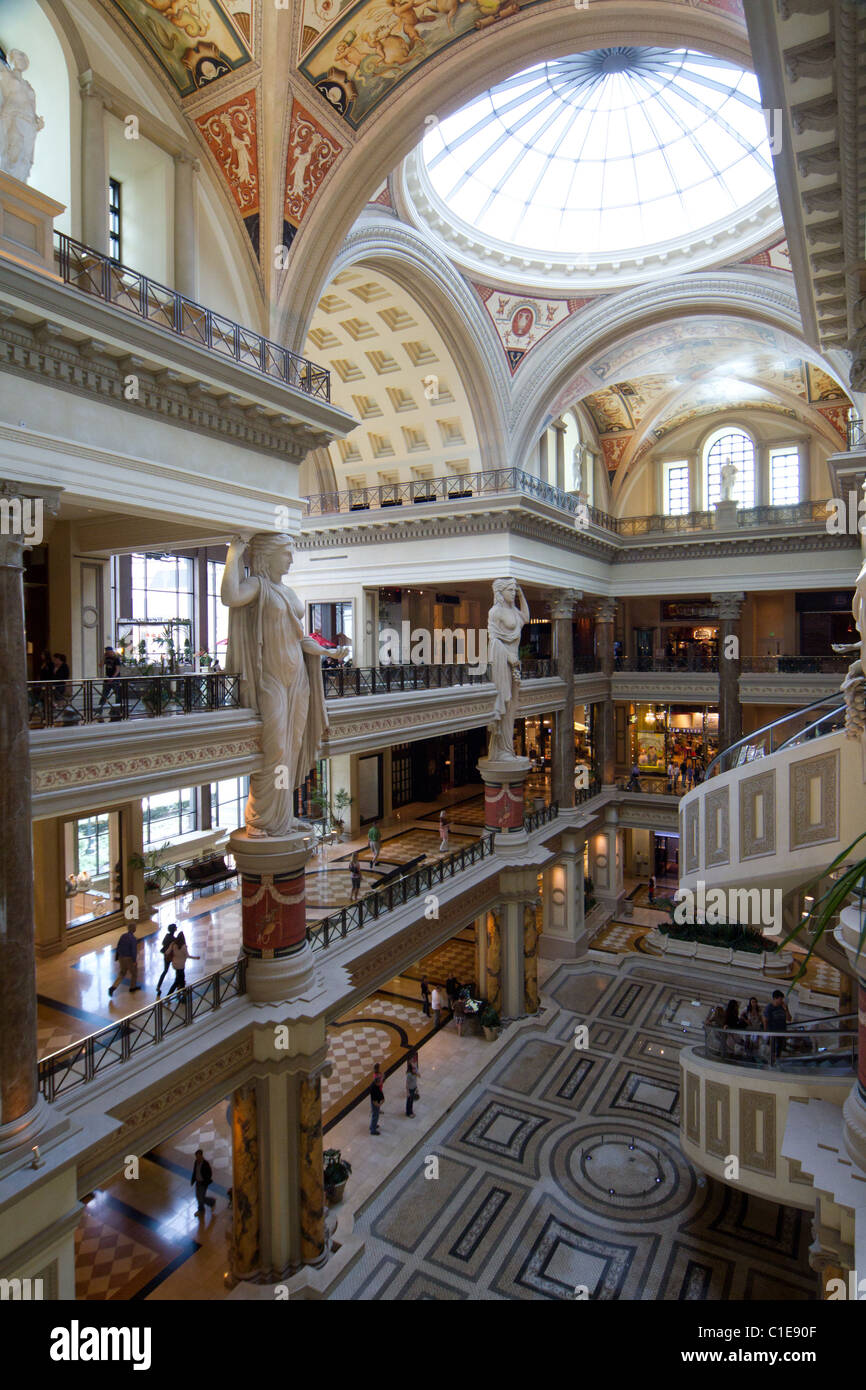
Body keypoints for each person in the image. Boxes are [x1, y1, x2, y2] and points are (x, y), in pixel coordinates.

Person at [108, 923, 140, 997]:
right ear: (133, 929)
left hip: (121, 957)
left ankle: (113, 987)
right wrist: (134, 961)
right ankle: (132, 987)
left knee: (122, 973)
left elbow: (118, 946)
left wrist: (117, 956)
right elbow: (133, 951)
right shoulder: (133, 939)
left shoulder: (123, 936)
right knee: (134, 973)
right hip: (129, 958)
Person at [764, 989, 791, 1064]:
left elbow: (789, 1019)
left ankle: (777, 1061)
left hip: (782, 1031)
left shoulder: (783, 1007)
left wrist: (786, 1009)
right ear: (775, 998)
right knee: (773, 1048)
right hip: (773, 1031)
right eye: (780, 999)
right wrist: (766, 1032)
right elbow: (765, 1020)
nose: (781, 1001)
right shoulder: (769, 1007)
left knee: (779, 1048)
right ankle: (771, 1062)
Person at [96, 645, 122, 719]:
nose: (107, 653)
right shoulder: (107, 658)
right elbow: (100, 665)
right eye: (106, 652)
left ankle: (117, 710)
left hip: (115, 680)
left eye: (108, 652)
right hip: (107, 679)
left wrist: (113, 677)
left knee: (118, 695)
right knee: (104, 694)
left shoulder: (116, 659)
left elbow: (117, 669)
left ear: (111, 651)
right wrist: (104, 657)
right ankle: (99, 710)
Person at [190, 1149, 216, 1214]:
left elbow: (209, 1173)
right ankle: (201, 1209)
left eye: (198, 1156)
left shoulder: (205, 1164)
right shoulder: (196, 1162)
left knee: (201, 1197)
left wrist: (205, 1181)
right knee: (198, 1196)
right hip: (198, 1182)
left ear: (201, 1156)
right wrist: (193, 1180)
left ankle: (211, 1202)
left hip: (203, 1183)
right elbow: (195, 1171)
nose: (197, 1158)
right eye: (196, 1156)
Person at [155, 921, 177, 996]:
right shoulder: (174, 939)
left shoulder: (167, 936)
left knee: (165, 970)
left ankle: (158, 986)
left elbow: (163, 943)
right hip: (172, 956)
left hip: (166, 955)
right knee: (177, 969)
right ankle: (179, 984)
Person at [369, 1065, 385, 1135]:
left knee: (375, 1115)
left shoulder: (375, 1085)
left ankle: (373, 1125)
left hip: (376, 1102)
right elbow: (374, 1101)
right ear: (377, 1083)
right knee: (375, 1115)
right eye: (380, 1082)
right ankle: (373, 1130)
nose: (381, 1083)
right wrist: (379, 1104)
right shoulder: (374, 1089)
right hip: (376, 1103)